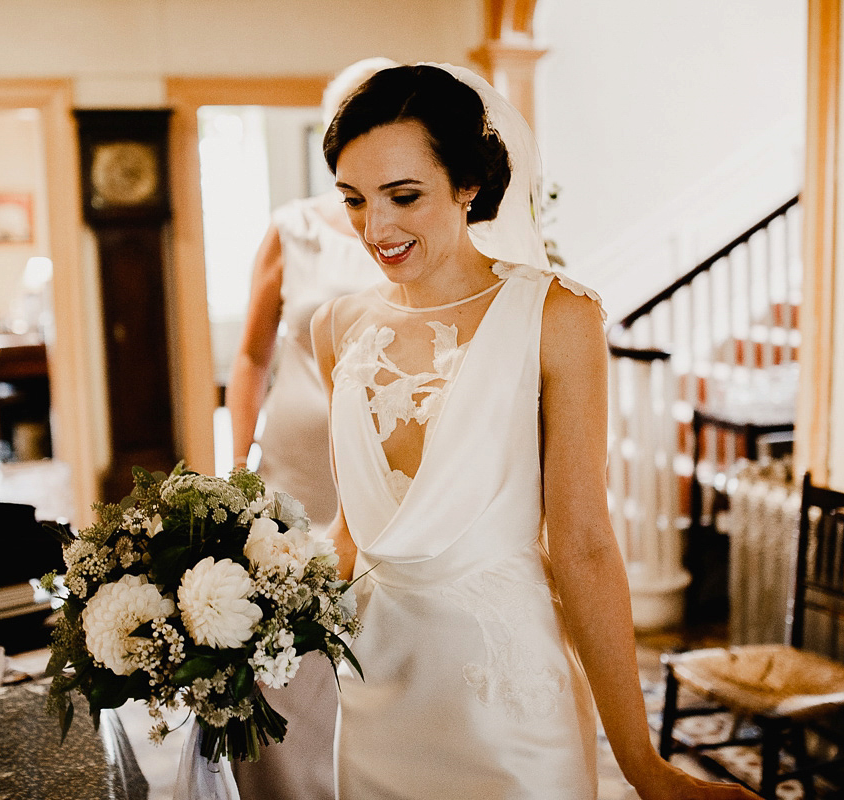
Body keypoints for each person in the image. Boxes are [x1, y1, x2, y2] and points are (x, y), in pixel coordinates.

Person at [309, 64, 760, 799]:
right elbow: (352, 535)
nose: (375, 228)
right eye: (355, 200)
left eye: (404, 196)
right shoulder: (338, 328)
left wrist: (643, 764)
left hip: (507, 706)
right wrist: (225, 615)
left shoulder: (556, 317)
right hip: (376, 696)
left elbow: (582, 543)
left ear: (468, 186)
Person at [212, 57, 396, 800]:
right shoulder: (292, 229)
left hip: (384, 477)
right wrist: (238, 465)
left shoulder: (417, 233)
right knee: (289, 658)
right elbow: (254, 356)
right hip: (294, 471)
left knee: (376, 645)